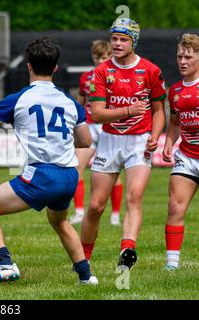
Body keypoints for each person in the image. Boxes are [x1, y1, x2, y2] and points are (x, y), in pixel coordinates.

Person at [0, 37, 98, 287]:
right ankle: (86, 276)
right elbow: (84, 141)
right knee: (59, 221)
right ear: (56, 68)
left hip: (42, 175)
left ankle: (4, 265)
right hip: (69, 176)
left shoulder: (19, 98)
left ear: (29, 66)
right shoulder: (70, 102)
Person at [80, 18, 166, 270]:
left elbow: (159, 110)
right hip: (110, 141)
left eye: (123, 39)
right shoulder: (101, 71)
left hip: (139, 142)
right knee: (96, 206)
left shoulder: (150, 70)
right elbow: (96, 113)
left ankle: (127, 251)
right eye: (114, 39)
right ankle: (83, 260)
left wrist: (155, 133)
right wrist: (129, 109)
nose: (117, 44)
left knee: (135, 196)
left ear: (133, 42)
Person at [69, 40, 124, 226]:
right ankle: (78, 212)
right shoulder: (86, 77)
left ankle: (115, 215)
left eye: (106, 56)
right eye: (98, 56)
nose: (102, 60)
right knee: (77, 169)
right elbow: (80, 103)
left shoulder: (117, 76)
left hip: (108, 127)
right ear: (93, 57)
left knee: (114, 173)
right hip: (90, 127)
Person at [162, 33, 199, 270]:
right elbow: (175, 121)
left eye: (188, 56)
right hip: (187, 155)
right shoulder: (174, 91)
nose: (182, 61)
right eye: (179, 56)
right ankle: (172, 265)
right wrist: (168, 142)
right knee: (175, 206)